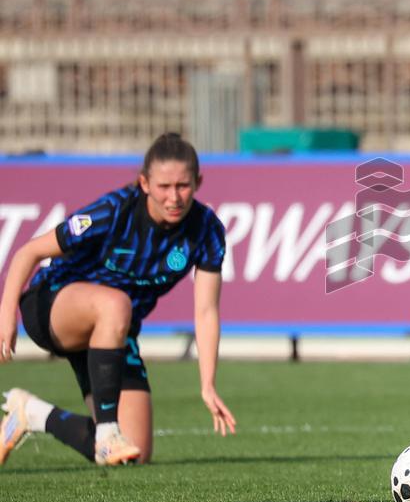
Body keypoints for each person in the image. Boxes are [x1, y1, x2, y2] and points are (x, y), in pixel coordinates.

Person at [0, 133, 236, 467]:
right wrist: (6, 312)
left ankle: (31, 414)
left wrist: (208, 384)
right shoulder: (114, 211)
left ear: (198, 182)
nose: (174, 197)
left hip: (113, 332)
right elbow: (30, 252)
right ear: (144, 183)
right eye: (164, 186)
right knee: (115, 303)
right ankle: (107, 432)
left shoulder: (207, 230)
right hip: (52, 306)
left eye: (183, 186)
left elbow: (206, 310)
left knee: (135, 453)